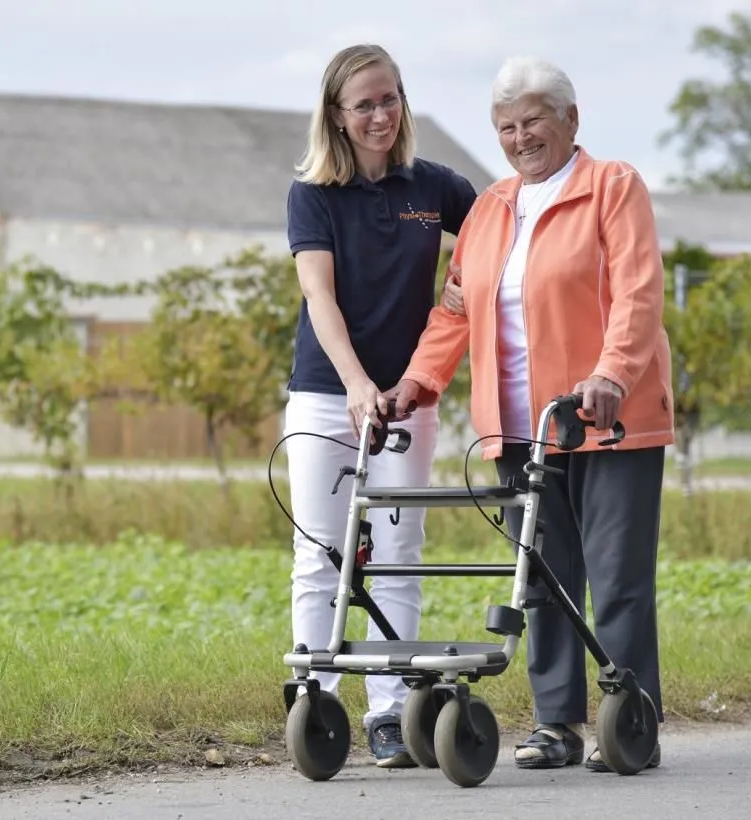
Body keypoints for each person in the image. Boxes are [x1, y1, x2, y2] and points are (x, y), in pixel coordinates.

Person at [389, 55, 675, 772]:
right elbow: (454, 311)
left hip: (607, 419)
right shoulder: (489, 210)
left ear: (571, 121)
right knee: (541, 580)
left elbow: (639, 293)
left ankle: (629, 717)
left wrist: (611, 373)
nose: (520, 138)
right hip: (519, 428)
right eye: (507, 127)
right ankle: (557, 724)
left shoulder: (612, 187)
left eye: (534, 122)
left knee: (616, 580)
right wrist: (415, 384)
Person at [283, 43, 477, 769]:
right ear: (336, 113)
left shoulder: (435, 187)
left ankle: (391, 712)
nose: (379, 115)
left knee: (397, 554)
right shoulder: (312, 193)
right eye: (363, 103)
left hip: (406, 403)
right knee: (321, 554)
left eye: (389, 98)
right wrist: (357, 384)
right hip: (326, 398)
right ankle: (315, 696)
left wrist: (458, 299)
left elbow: (498, 236)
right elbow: (318, 296)